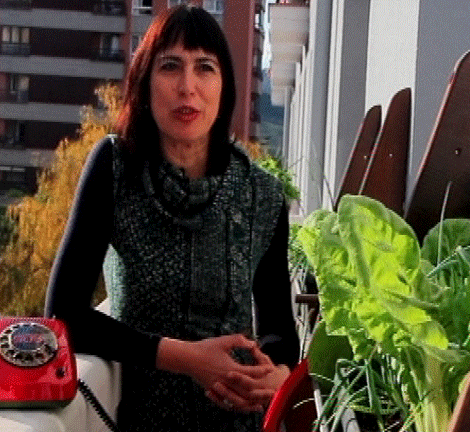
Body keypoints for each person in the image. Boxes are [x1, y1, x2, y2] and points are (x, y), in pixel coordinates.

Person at [44, 5, 298, 431]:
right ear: (145, 83)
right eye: (170, 66)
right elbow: (64, 314)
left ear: (224, 86)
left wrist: (277, 375)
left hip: (238, 422)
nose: (187, 86)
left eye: (205, 68)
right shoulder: (115, 169)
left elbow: (279, 330)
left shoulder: (262, 195)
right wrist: (187, 359)